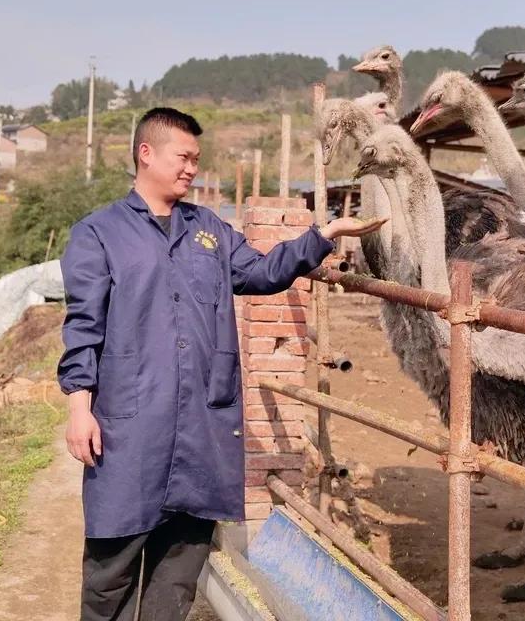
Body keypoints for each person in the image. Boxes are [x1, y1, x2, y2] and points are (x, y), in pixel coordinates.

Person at [57, 107, 384, 621]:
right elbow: (83, 327)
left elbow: (262, 272)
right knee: (109, 577)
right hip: (131, 431)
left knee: (177, 578)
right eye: (184, 157)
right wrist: (80, 409)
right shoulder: (99, 233)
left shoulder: (207, 229)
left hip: (200, 434)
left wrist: (323, 236)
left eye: (196, 159)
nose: (192, 168)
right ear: (146, 153)